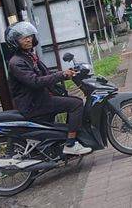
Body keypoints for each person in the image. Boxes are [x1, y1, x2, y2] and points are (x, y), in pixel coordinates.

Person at [5, 22, 91, 156]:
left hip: (39, 99)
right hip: (33, 104)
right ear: (15, 42)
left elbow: (45, 74)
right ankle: (70, 144)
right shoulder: (16, 62)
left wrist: (67, 73)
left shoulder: (28, 56)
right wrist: (61, 74)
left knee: (68, 101)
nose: (28, 39)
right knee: (76, 104)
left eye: (30, 36)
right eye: (23, 38)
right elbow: (35, 81)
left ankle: (63, 141)